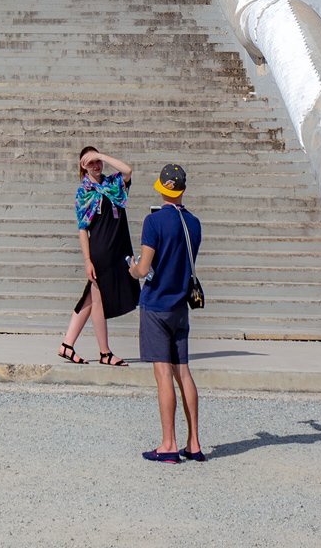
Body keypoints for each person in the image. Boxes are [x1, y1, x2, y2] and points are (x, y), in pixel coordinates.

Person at [128, 163, 204, 463]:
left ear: (162, 188)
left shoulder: (154, 221)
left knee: (162, 375)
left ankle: (169, 444)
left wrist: (131, 267)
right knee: (183, 371)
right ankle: (194, 442)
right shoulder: (194, 223)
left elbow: (144, 269)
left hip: (157, 303)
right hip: (180, 305)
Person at [58, 146, 139, 367]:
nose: (96, 165)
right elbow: (83, 228)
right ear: (83, 167)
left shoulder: (113, 184)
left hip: (118, 248)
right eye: (91, 162)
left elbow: (128, 170)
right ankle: (104, 352)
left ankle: (67, 344)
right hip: (100, 251)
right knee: (98, 300)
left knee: (90, 298)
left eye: (97, 161)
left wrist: (102, 155)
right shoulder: (83, 192)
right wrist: (87, 260)